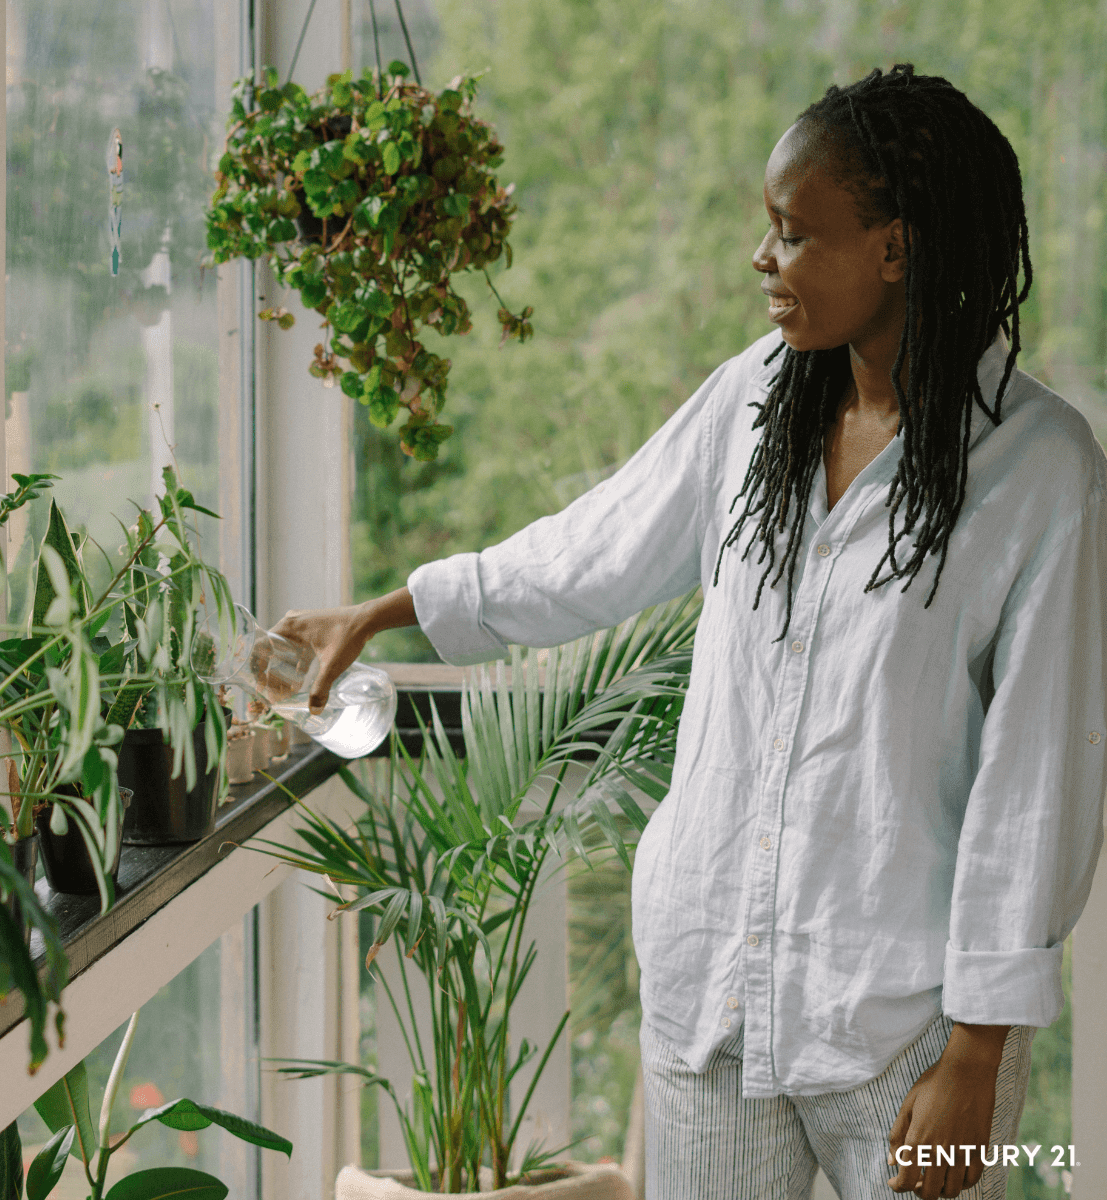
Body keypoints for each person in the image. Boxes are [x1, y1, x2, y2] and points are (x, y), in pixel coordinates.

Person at [274, 65, 1105, 1199]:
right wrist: (386, 609)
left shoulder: (1039, 470)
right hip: (710, 992)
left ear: (896, 249)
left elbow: (1038, 781)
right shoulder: (755, 401)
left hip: (909, 1034)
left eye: (793, 232)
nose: (762, 259)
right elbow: (590, 552)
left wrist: (978, 1048)